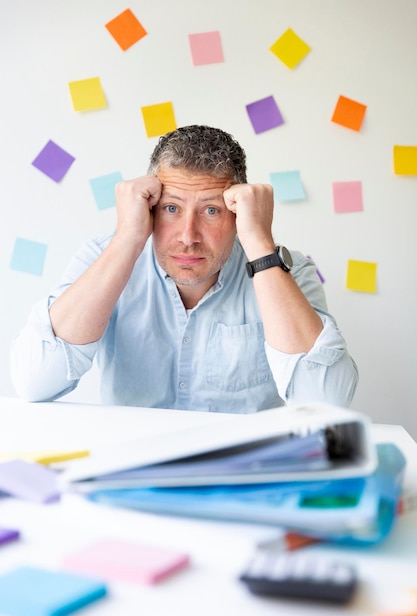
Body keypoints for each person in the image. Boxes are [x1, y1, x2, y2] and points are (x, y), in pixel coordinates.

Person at [10, 125, 358, 413]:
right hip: (131, 468)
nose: (188, 237)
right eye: (171, 208)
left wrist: (260, 246)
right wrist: (128, 238)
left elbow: (326, 403)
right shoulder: (103, 258)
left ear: (238, 212)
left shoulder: (289, 274)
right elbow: (35, 381)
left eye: (210, 211)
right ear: (149, 207)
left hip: (242, 477)